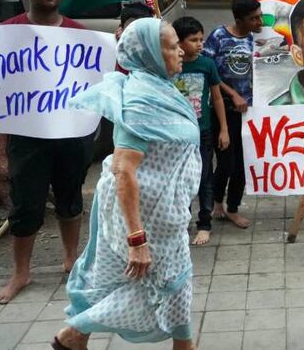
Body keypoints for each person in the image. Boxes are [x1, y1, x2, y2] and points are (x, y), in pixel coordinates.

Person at [53, 18, 200, 350]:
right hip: (142, 218)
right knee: (171, 286)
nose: (180, 51)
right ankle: (73, 336)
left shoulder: (160, 89)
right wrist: (137, 239)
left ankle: (73, 338)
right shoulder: (138, 100)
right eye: (172, 45)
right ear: (149, 52)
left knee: (157, 285)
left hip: (166, 215)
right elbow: (124, 171)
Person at [0, 0, 94, 304]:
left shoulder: (80, 35)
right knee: (26, 206)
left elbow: (104, 75)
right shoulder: (7, 32)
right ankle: (21, 274)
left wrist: (117, 47)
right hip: (26, 137)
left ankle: (71, 262)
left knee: (70, 199)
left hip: (71, 135)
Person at [202, 0, 260, 229]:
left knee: (242, 164)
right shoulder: (218, 36)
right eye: (253, 19)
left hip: (249, 112)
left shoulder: (260, 38)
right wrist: (232, 94)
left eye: (259, 17)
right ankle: (217, 202)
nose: (259, 22)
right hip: (222, 109)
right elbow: (208, 70)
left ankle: (233, 208)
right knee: (225, 162)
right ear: (239, 19)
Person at [172, 16, 230, 246]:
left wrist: (223, 129)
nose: (199, 44)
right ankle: (181, 221)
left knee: (204, 177)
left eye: (201, 39)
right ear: (178, 42)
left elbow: (216, 97)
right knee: (179, 179)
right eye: (193, 40)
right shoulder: (169, 65)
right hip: (177, 134)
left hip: (203, 131)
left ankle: (204, 223)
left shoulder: (207, 65)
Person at [115, 2, 156, 74]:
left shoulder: (155, 50)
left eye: (141, 29)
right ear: (121, 29)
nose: (135, 33)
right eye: (130, 28)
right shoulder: (115, 46)